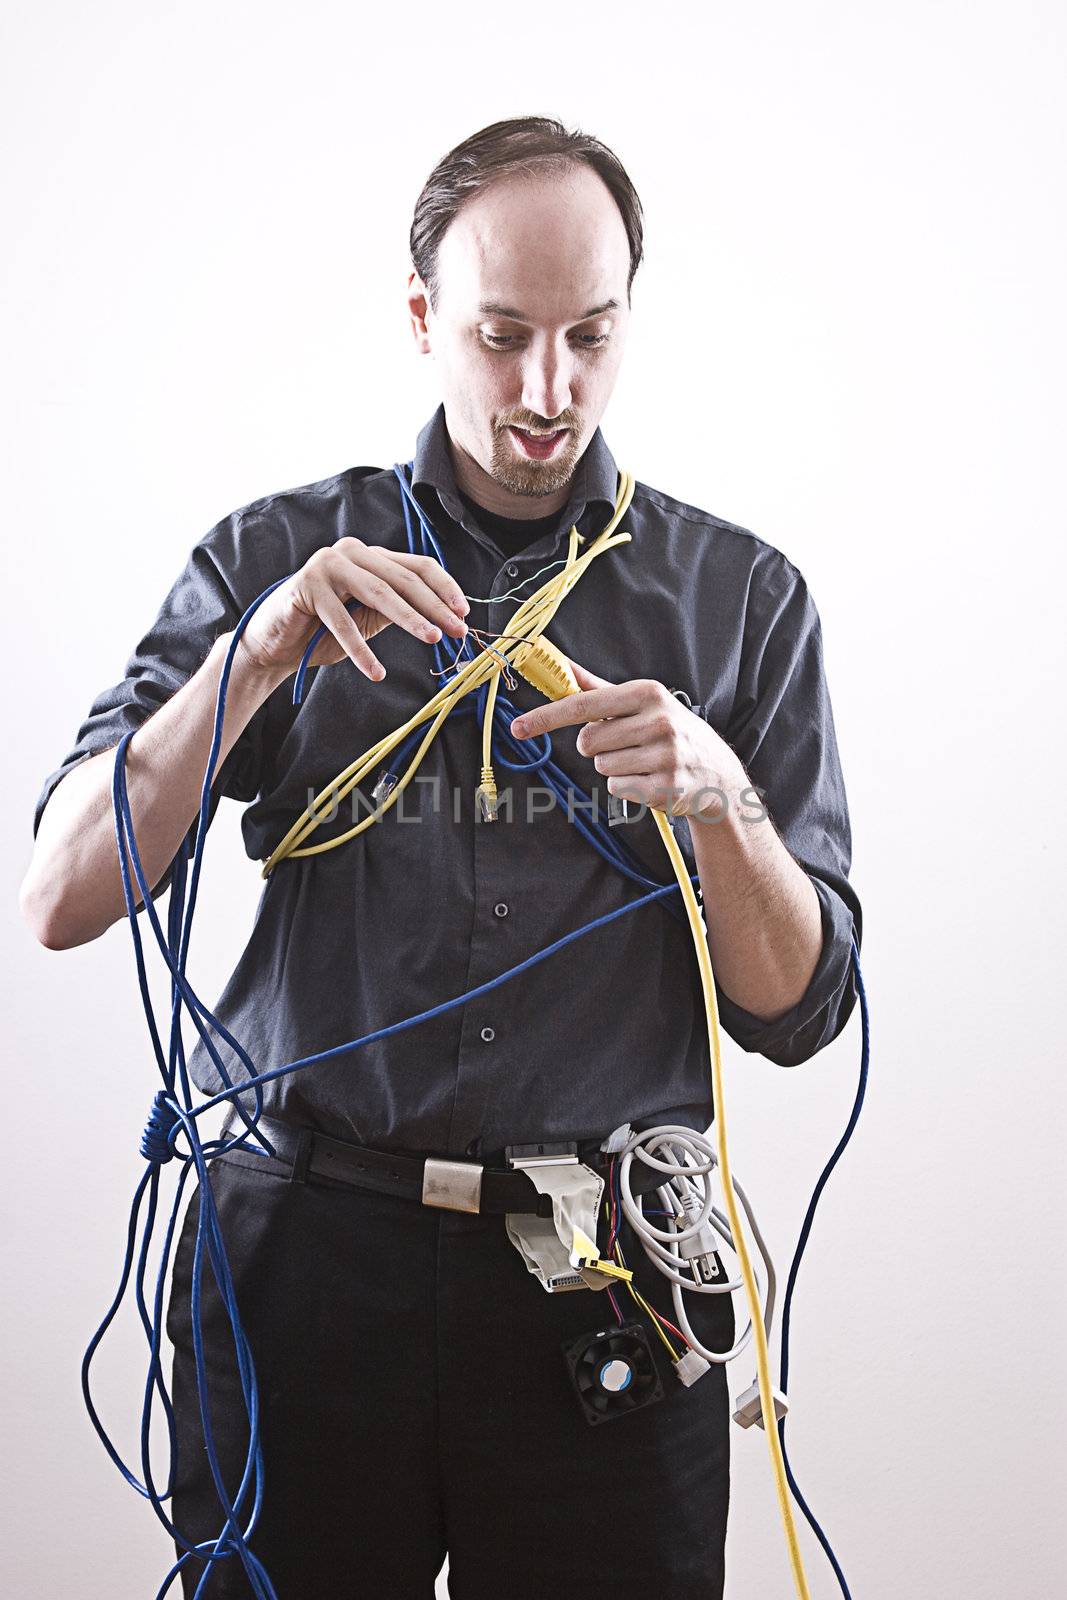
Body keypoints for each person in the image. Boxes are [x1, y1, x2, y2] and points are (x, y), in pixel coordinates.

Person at [20, 117, 862, 1599]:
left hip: (607, 1295)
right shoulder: (276, 558)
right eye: (502, 336)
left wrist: (722, 797)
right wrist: (267, 648)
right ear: (424, 321)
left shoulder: (741, 601)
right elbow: (61, 896)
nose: (550, 391)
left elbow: (797, 1015)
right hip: (302, 1270)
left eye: (591, 337)